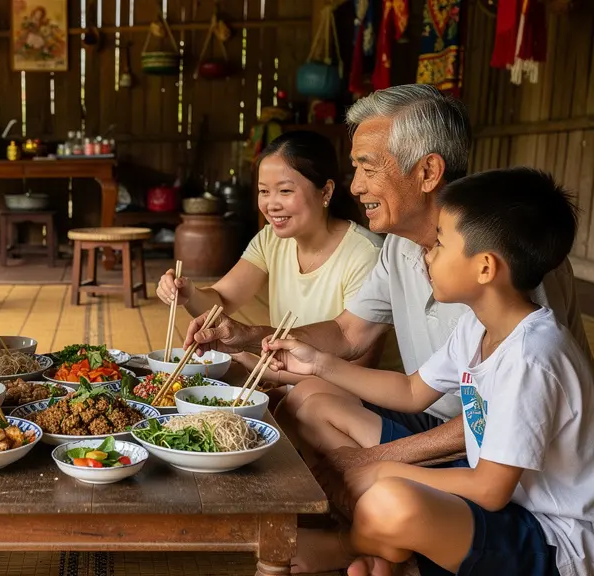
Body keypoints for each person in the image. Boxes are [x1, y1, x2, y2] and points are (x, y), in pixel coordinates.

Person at [184, 85, 589, 488]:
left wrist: (373, 461)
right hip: (428, 413)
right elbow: (347, 333)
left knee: (363, 477)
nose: (356, 186)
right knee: (307, 400)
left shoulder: (508, 263)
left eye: (368, 167)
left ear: (427, 172)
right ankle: (366, 516)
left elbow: (499, 420)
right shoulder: (399, 245)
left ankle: (374, 520)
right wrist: (250, 337)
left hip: (503, 457)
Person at [264, 168, 593, 576]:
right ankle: (396, 552)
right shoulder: (480, 325)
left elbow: (490, 490)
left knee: (390, 500)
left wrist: (381, 467)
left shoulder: (531, 357)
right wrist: (319, 363)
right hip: (501, 503)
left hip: (550, 539)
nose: (427, 254)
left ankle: (350, 545)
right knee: (375, 481)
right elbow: (410, 390)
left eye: (439, 243)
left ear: (485, 268)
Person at [156, 130, 384, 382]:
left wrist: (258, 365)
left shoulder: (365, 254)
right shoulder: (270, 240)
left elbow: (359, 369)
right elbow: (221, 300)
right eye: (264, 191)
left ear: (326, 192)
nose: (271, 204)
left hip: (344, 396)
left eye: (285, 191)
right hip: (286, 378)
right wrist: (189, 294)